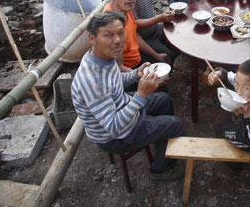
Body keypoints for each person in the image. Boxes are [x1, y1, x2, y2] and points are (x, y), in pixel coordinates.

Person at [71, 11, 185, 181]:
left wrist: (135, 75)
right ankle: (159, 169)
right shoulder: (92, 80)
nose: (117, 40)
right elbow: (114, 127)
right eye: (108, 35)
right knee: (176, 124)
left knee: (164, 99)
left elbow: (114, 83)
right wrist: (141, 94)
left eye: (120, 32)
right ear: (92, 38)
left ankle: (159, 138)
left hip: (124, 106)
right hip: (115, 137)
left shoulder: (102, 57)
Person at [104, 0, 171, 69]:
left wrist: (156, 55)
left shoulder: (125, 10)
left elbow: (134, 35)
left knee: (166, 59)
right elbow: (115, 68)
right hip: (127, 70)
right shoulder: (109, 24)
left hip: (137, 59)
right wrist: (139, 77)